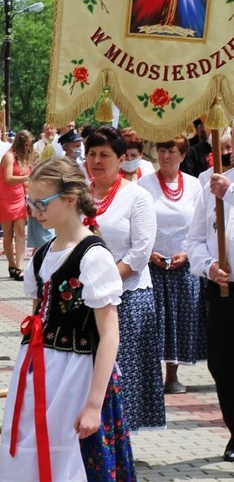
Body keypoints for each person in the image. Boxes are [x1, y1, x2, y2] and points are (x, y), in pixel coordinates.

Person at [0, 157, 135, 482]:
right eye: (30, 202)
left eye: (40, 202)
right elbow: (39, 313)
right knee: (28, 449)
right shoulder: (43, 254)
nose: (33, 210)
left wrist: (93, 404)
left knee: (67, 457)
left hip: (76, 374)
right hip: (36, 370)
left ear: (70, 199)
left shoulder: (93, 257)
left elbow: (110, 335)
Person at [85, 126, 165, 432]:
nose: (97, 160)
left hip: (127, 295)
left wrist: (105, 281)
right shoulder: (78, 195)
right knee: (88, 368)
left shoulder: (137, 197)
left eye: (105, 154)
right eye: (92, 153)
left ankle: (120, 437)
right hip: (86, 296)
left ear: (121, 159)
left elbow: (140, 251)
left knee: (122, 369)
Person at [138, 136, 205, 395]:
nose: (165, 156)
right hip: (153, 263)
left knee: (178, 320)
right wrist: (149, 252)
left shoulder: (193, 185)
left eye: (171, 151)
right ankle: (150, 376)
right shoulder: (144, 184)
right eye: (162, 150)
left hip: (184, 264)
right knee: (153, 321)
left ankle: (172, 375)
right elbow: (139, 223)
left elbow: (200, 224)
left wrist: (188, 254)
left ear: (182, 156)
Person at [188, 164, 234, 463]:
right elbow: (194, 240)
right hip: (223, 290)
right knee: (223, 364)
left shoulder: (226, 187)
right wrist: (208, 266)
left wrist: (231, 195)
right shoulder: (213, 181)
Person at [0, 130, 32, 281]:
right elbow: (8, 178)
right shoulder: (9, 156)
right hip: (5, 197)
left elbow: (25, 181)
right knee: (8, 234)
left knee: (21, 232)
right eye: (26, 145)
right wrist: (27, 177)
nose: (28, 148)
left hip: (19, 196)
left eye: (29, 145)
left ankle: (20, 267)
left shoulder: (24, 158)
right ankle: (11, 264)